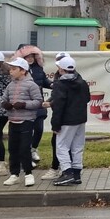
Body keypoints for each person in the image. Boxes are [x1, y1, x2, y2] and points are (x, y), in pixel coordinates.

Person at [0, 58, 44, 187]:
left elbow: (38, 101)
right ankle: (14, 174)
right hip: (13, 120)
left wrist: (24, 104)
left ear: (23, 70)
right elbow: (3, 100)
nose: (11, 72)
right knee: (13, 148)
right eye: (11, 69)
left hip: (26, 120)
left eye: (14, 69)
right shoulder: (10, 85)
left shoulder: (31, 85)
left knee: (25, 148)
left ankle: (28, 174)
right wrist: (5, 105)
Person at [49, 56, 90, 186]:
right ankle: (77, 173)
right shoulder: (82, 82)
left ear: (61, 69)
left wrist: (55, 124)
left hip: (66, 120)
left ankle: (67, 172)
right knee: (77, 146)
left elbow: (58, 106)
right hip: (80, 119)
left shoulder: (60, 84)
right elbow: (87, 98)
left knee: (61, 147)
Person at [15, 45, 52, 167]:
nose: (30, 58)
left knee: (39, 129)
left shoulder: (38, 69)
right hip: (25, 105)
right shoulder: (18, 71)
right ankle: (25, 157)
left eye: (32, 56)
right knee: (26, 131)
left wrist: (53, 85)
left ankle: (33, 149)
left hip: (38, 105)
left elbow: (44, 81)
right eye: (27, 56)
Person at [41, 51, 72, 180]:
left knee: (60, 143)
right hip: (61, 114)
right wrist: (50, 101)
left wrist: (51, 104)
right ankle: (66, 168)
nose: (58, 66)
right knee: (58, 142)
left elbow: (66, 99)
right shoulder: (58, 76)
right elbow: (56, 95)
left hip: (66, 116)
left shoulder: (71, 79)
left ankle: (60, 169)